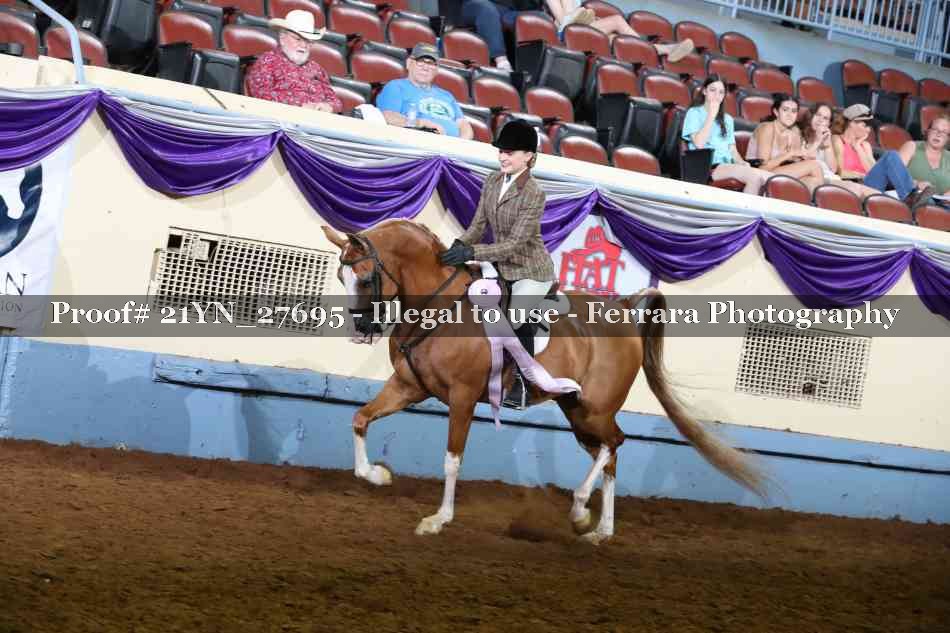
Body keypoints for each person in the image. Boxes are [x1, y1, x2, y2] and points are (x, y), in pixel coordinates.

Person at [439, 120, 552, 408]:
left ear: (528, 156)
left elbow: (513, 244)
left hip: (529, 271)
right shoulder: (492, 180)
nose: (502, 157)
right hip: (500, 266)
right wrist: (459, 245)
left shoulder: (534, 193)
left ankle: (523, 384)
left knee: (515, 318)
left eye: (509, 152)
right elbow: (478, 224)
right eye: (501, 151)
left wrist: (473, 252)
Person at [462, 0, 693, 71]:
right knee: (615, 22)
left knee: (611, 38)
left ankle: (659, 50)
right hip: (561, 29)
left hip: (567, 27)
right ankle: (655, 50)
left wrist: (582, 19)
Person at [681, 75, 775, 195]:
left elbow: (732, 150)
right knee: (754, 177)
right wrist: (711, 115)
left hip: (727, 165)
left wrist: (742, 162)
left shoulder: (727, 119)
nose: (717, 95)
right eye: (712, 90)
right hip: (708, 166)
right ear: (704, 91)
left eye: (721, 92)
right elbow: (699, 144)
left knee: (772, 179)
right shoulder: (694, 113)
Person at [830, 104, 933, 208]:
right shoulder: (838, 140)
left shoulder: (865, 145)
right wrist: (861, 175)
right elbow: (840, 172)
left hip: (870, 185)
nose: (868, 130)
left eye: (869, 126)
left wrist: (858, 148)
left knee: (892, 154)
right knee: (890, 156)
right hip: (854, 184)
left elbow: (872, 170)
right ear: (852, 123)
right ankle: (909, 197)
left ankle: (910, 196)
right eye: (865, 125)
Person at [246, 10, 342, 113]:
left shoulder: (317, 69)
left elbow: (335, 101)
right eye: (298, 39)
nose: (303, 45)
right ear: (282, 38)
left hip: (319, 119)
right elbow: (261, 95)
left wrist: (329, 107)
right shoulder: (267, 61)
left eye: (308, 41)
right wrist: (299, 106)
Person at [377, 43, 474, 140]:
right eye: (420, 61)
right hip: (417, 142)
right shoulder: (395, 86)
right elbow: (388, 116)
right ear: (409, 63)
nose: (425, 67)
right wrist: (421, 124)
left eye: (431, 63)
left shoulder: (447, 95)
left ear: (437, 69)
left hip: (453, 146)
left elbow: (463, 125)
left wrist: (462, 143)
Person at [543, 0, 693, 60]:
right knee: (617, 20)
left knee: (616, 40)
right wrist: (581, 18)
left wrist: (590, 20)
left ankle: (662, 49)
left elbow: (580, 17)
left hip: (582, 29)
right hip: (566, 33)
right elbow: (563, 22)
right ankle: (657, 49)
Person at [799, 102, 880, 199]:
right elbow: (804, 159)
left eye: (825, 118)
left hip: (833, 179)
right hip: (825, 180)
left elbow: (833, 169)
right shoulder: (799, 135)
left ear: (829, 123)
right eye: (818, 115)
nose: (821, 120)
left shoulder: (827, 139)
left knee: (879, 194)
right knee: (859, 190)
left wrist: (828, 146)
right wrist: (818, 141)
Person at [746, 94, 825, 191]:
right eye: (785, 110)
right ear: (776, 112)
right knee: (814, 166)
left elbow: (802, 157)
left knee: (812, 181)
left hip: (778, 173)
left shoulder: (794, 132)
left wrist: (818, 141)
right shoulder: (767, 128)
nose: (789, 115)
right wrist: (789, 154)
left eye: (794, 111)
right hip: (758, 173)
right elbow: (763, 167)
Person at [899, 112, 950, 198]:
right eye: (935, 129)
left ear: (948, 138)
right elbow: (895, 174)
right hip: (910, 197)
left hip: (941, 203)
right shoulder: (911, 146)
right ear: (928, 131)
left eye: (944, 132)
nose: (938, 134)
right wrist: (916, 184)